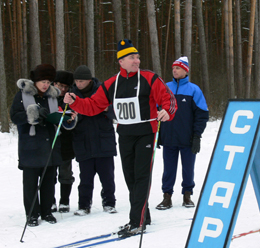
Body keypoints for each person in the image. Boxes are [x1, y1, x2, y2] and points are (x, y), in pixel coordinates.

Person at [64, 40, 177, 237]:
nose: (137, 60)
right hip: (125, 135)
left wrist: (167, 111)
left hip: (146, 135)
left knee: (142, 177)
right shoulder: (111, 84)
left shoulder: (149, 78)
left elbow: (169, 99)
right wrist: (75, 102)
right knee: (130, 178)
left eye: (138, 57)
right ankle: (145, 215)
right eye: (132, 57)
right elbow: (92, 106)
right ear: (121, 61)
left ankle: (137, 221)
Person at [10, 64, 67, 226]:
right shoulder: (22, 95)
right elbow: (15, 116)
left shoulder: (53, 97)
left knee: (49, 182)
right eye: (42, 81)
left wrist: (63, 118)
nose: (45, 84)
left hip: (50, 145)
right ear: (35, 81)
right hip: (31, 146)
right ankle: (32, 214)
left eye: (48, 81)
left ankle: (47, 212)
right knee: (30, 184)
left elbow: (60, 114)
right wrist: (32, 114)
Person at [156, 57, 209, 210]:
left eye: (178, 68)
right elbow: (156, 110)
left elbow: (202, 114)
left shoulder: (194, 90)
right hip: (169, 137)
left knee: (188, 168)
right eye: (173, 68)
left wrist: (197, 136)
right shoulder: (165, 88)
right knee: (168, 169)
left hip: (188, 138)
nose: (174, 70)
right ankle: (167, 196)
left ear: (186, 70)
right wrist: (158, 133)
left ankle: (187, 194)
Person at [70, 65, 118, 216]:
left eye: (82, 81)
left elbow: (116, 111)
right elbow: (65, 118)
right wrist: (72, 118)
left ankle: (109, 203)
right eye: (77, 81)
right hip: (83, 141)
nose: (79, 84)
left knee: (107, 177)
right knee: (85, 178)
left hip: (104, 139)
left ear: (89, 80)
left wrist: (106, 109)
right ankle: (84, 205)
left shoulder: (103, 90)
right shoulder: (71, 95)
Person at [51, 70, 76, 213]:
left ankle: (64, 201)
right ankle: (51, 200)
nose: (62, 89)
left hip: (66, 141)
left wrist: (72, 118)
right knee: (50, 174)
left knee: (65, 173)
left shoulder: (71, 98)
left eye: (66, 87)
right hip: (51, 141)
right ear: (54, 84)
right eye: (60, 86)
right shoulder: (48, 98)